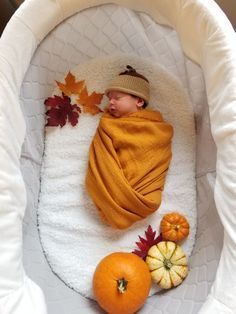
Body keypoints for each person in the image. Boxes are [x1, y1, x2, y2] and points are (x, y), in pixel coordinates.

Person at [85, 65, 173, 229]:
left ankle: (124, 202)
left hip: (145, 193)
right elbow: (101, 158)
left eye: (117, 98)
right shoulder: (108, 124)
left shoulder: (157, 128)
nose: (110, 101)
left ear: (139, 101)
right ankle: (118, 202)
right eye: (109, 97)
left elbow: (158, 153)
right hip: (115, 187)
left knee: (153, 200)